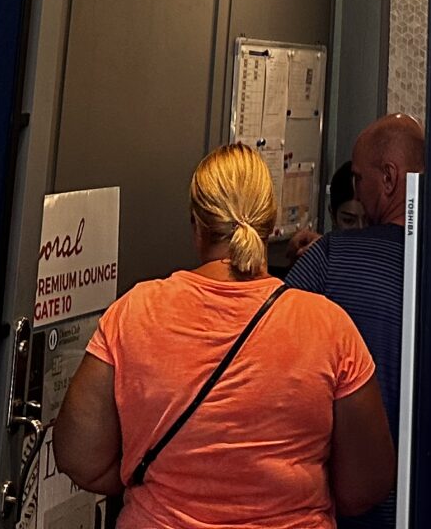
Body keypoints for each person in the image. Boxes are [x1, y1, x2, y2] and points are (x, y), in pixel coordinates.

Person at [54, 144, 394, 529]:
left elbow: (79, 457)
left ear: (197, 225)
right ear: (270, 223)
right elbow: (366, 485)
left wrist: (161, 482)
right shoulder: (328, 325)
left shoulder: (134, 312)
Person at [285, 115, 423, 529]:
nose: (357, 192)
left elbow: (267, 346)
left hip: (344, 507)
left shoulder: (330, 260)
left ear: (389, 178)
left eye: (360, 179)